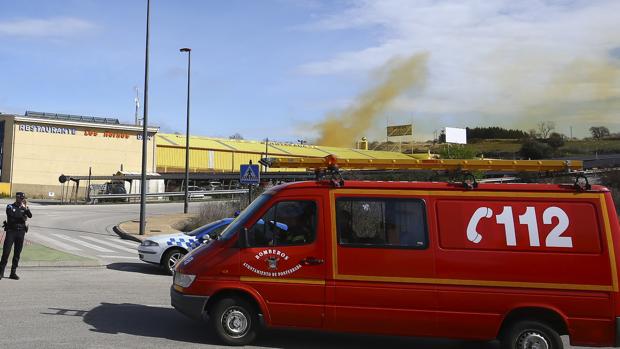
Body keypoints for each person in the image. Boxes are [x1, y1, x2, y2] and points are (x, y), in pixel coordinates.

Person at [0, 192, 32, 280]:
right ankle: (1, 272)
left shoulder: (24, 207)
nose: (22, 200)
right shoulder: (10, 206)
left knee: (17, 253)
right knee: (6, 253)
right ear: (17, 198)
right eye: (21, 198)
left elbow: (30, 216)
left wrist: (25, 208)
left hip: (21, 232)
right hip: (11, 232)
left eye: (23, 198)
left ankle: (13, 273)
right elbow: (11, 217)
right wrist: (22, 218)